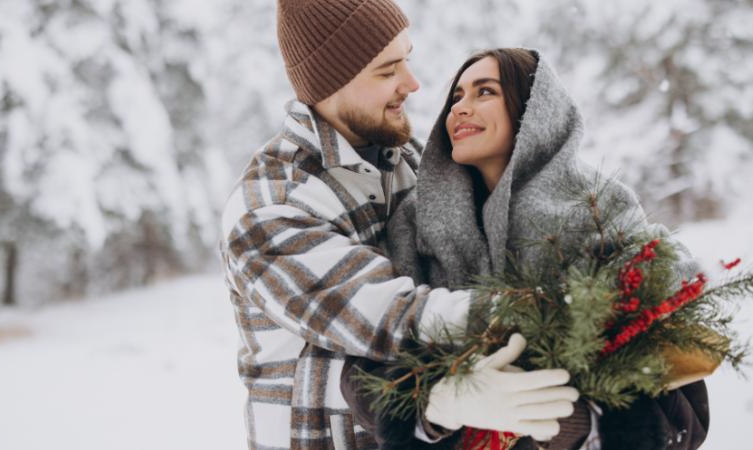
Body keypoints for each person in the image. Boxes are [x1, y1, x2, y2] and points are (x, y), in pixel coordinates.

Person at [219, 2, 578, 448]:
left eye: (408, 58)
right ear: (333, 82)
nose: (413, 83)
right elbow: (390, 313)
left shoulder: (409, 161)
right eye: (388, 71)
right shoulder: (268, 206)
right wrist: (552, 315)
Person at [341, 49, 710, 450]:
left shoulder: (602, 207)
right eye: (456, 97)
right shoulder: (412, 223)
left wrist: (576, 424)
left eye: (485, 92)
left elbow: (684, 413)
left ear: (535, 110)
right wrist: (437, 406)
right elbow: (366, 363)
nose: (460, 109)